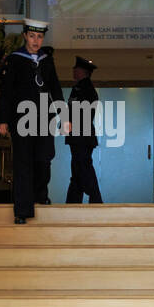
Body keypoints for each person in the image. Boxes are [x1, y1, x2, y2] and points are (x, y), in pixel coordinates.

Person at [0, 18, 64, 224]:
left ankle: (40, 196)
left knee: (44, 159)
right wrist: (3, 120)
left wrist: (65, 116)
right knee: (23, 163)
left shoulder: (47, 60)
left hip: (45, 118)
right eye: (32, 36)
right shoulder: (15, 60)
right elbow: (7, 92)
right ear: (25, 35)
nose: (36, 41)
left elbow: (55, 89)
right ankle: (22, 211)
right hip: (21, 119)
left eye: (40, 36)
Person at [64, 55, 104, 204]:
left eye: (76, 68)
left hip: (81, 135)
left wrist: (71, 123)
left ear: (82, 71)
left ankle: (95, 199)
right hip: (78, 135)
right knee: (77, 169)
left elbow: (83, 112)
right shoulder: (80, 88)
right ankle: (73, 202)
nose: (73, 70)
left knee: (83, 167)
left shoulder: (85, 88)